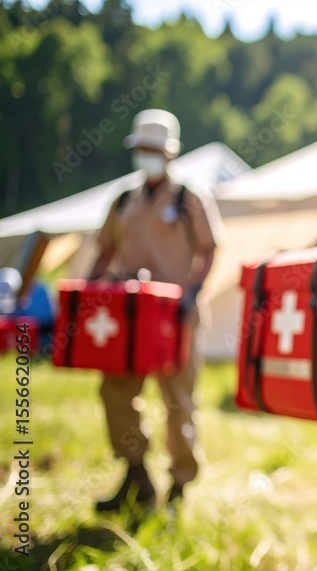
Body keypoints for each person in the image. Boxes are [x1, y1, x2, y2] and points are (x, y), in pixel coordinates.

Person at [90, 109, 224, 512]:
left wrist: (192, 293)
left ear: (170, 152)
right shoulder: (123, 200)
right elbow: (105, 251)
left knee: (179, 401)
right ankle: (136, 474)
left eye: (154, 149)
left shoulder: (188, 198)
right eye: (141, 149)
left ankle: (179, 486)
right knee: (115, 390)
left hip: (175, 320)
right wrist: (89, 294)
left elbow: (210, 248)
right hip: (128, 317)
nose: (147, 156)